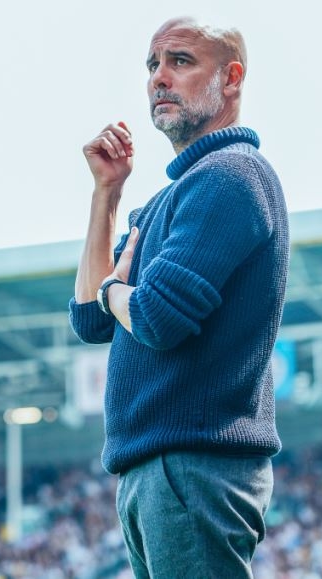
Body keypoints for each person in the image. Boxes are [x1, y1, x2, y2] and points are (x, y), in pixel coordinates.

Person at [68, 16, 289, 578]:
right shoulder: (172, 197)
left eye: (180, 62)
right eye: (152, 65)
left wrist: (118, 290)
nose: (159, 78)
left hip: (193, 465)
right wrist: (107, 195)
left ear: (231, 77)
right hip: (161, 469)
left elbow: (155, 315)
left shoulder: (231, 176)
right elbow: (93, 319)